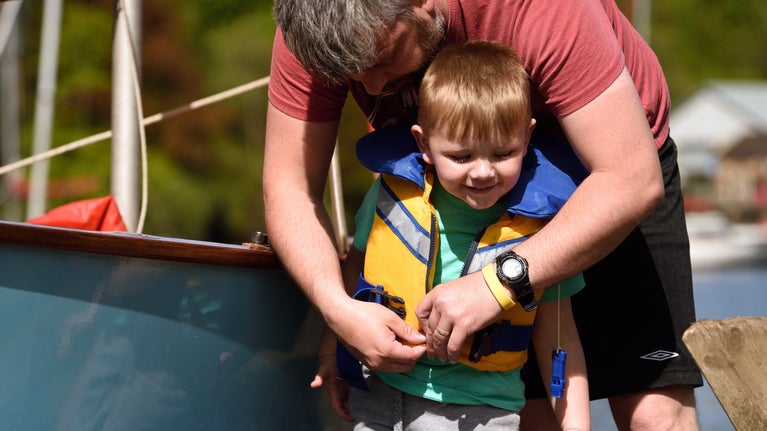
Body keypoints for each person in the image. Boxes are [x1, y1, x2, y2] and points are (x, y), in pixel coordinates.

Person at [264, 1, 703, 430]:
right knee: (527, 412)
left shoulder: (544, 9)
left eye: (382, 59)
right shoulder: (316, 25)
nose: (373, 88)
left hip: (616, 163)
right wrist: (337, 311)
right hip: (452, 179)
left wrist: (497, 284)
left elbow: (631, 179)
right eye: (350, 76)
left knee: (653, 409)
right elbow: (289, 188)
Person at [309, 41, 589, 430]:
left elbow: (560, 340)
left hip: (476, 411)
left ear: (527, 138)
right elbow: (355, 268)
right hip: (377, 392)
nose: (482, 172)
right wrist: (333, 354)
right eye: (461, 157)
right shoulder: (392, 193)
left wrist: (575, 425)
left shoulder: (543, 227)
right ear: (423, 144)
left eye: (503, 153)